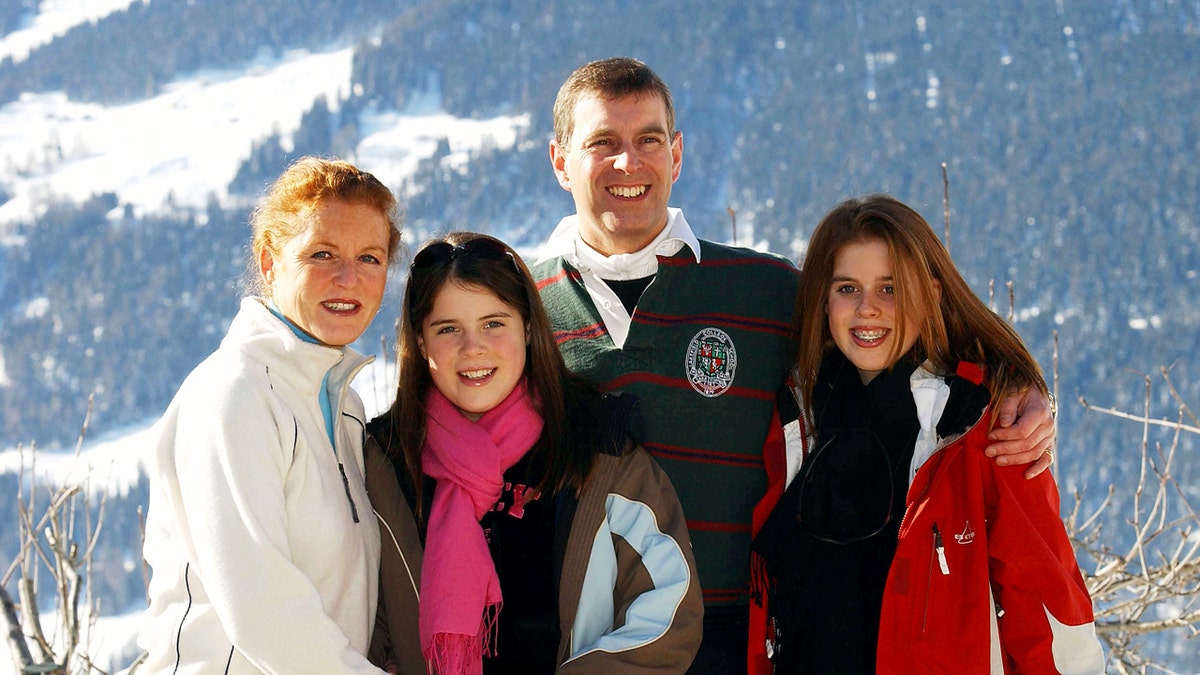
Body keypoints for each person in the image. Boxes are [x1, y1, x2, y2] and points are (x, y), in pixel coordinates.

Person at [532, 56, 1058, 673]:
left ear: (677, 154)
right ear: (561, 160)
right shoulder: (517, 308)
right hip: (581, 639)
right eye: (603, 143)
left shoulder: (765, 290)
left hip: (733, 640)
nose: (629, 163)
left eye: (648, 139)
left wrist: (1016, 382)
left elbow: (894, 335)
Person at [752, 194, 1104, 673]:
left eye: (891, 289)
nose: (868, 309)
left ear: (932, 294)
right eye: (848, 288)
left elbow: (1049, 606)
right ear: (822, 300)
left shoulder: (984, 427)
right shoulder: (795, 419)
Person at [365, 232, 703, 674]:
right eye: (448, 329)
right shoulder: (384, 460)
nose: (474, 348)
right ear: (421, 341)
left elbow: (667, 604)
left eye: (493, 323)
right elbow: (355, 621)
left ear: (527, 326)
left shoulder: (595, 444)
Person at [138, 157, 401, 674]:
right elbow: (263, 607)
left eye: (370, 258)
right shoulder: (235, 393)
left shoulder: (342, 403)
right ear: (268, 262)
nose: (348, 278)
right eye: (322, 254)